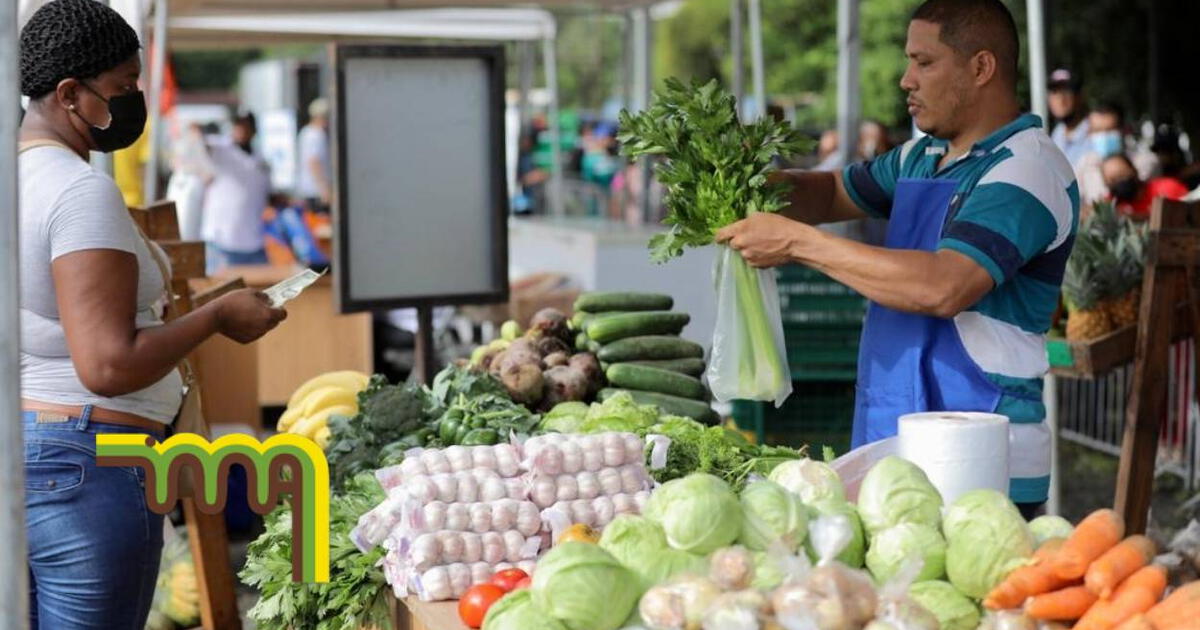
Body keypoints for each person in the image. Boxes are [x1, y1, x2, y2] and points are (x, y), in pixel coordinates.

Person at [717, 0, 1075, 518]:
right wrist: (738, 183)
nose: (906, 80)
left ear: (981, 67)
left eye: (924, 63)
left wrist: (795, 243)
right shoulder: (919, 158)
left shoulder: (1027, 170)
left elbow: (944, 287)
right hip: (894, 448)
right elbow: (830, 192)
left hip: (984, 468)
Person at [16, 1, 286, 627]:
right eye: (123, 87)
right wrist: (215, 318)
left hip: (27, 457)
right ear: (69, 94)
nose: (134, 98)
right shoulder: (79, 191)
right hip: (89, 468)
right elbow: (108, 364)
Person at [200, 112, 273, 273]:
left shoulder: (262, 160)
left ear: (254, 130)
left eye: (245, 125)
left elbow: (266, 196)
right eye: (237, 125)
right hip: (221, 241)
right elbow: (199, 144)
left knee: (262, 292)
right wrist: (196, 130)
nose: (240, 129)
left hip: (254, 242)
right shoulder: (221, 148)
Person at [1075, 102, 1159, 208]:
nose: (1103, 136)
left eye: (1110, 129)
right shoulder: (1085, 164)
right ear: (1089, 132)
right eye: (1098, 130)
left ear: (1123, 129)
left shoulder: (1145, 162)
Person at [165, 121, 215, 241]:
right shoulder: (181, 149)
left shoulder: (200, 151)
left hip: (192, 193)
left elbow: (210, 174)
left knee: (189, 229)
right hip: (182, 189)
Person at [1101, 153, 1189, 219]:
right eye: (1112, 180)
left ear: (1134, 170)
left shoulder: (1167, 189)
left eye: (1122, 175)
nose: (1119, 182)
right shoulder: (1110, 206)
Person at [1047, 68, 1090, 167]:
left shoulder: (1096, 133)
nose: (1060, 99)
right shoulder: (1057, 134)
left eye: (1066, 91)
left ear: (1079, 96)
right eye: (1055, 92)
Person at [296, 97, 332, 214]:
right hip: (315, 192)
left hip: (309, 190)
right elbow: (314, 161)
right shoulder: (316, 134)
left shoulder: (306, 132)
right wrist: (324, 189)